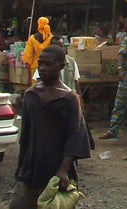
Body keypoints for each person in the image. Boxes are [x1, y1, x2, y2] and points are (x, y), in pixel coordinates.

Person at [9, 45, 91, 209]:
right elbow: (25, 134)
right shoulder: (31, 95)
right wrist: (20, 165)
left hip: (57, 170)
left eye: (48, 64)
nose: (42, 68)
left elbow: (75, 136)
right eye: (40, 64)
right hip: (31, 168)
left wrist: (63, 170)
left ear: (61, 66)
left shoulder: (69, 99)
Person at [99, 23, 127, 140]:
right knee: (120, 104)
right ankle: (112, 130)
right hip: (126, 76)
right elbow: (121, 54)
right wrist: (120, 70)